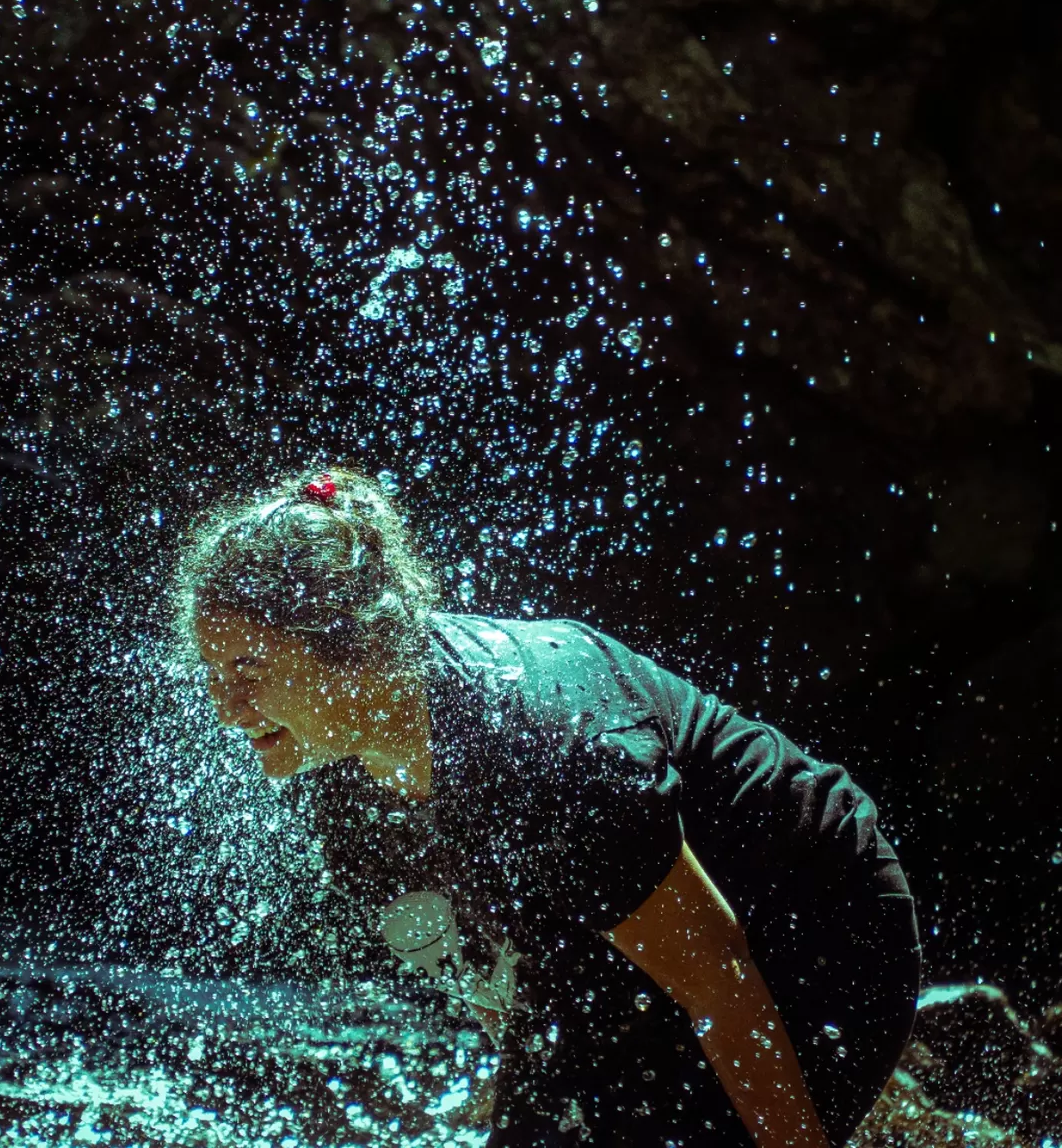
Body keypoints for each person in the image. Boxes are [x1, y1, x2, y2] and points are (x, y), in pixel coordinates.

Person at [173, 467, 922, 1148]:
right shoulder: (331, 766)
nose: (225, 707)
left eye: (249, 667)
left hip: (807, 934)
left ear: (349, 649)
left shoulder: (543, 749)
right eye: (211, 670)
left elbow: (716, 978)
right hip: (611, 956)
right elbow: (499, 976)